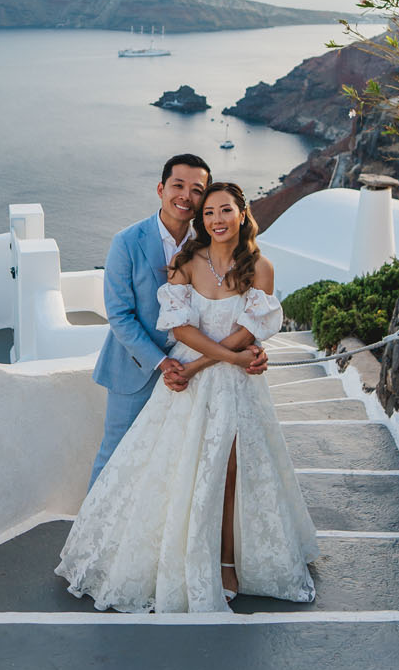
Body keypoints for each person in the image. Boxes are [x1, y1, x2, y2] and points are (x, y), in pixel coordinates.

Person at [56, 181, 319, 612]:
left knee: (233, 470)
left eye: (226, 210)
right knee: (180, 467)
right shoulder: (185, 264)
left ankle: (228, 562)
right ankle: (175, 558)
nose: (217, 219)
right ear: (202, 218)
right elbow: (180, 331)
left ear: (242, 214)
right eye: (210, 212)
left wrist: (202, 365)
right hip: (189, 380)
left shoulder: (261, 268)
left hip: (228, 381)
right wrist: (222, 360)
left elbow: (248, 333)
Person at [88, 154, 267, 489]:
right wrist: (161, 363)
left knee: (174, 463)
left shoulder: (210, 242)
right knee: (116, 456)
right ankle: (90, 539)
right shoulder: (126, 242)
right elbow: (120, 315)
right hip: (137, 369)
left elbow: (231, 303)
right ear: (161, 188)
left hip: (196, 369)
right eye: (178, 185)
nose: (186, 195)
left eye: (197, 189)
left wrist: (253, 345)